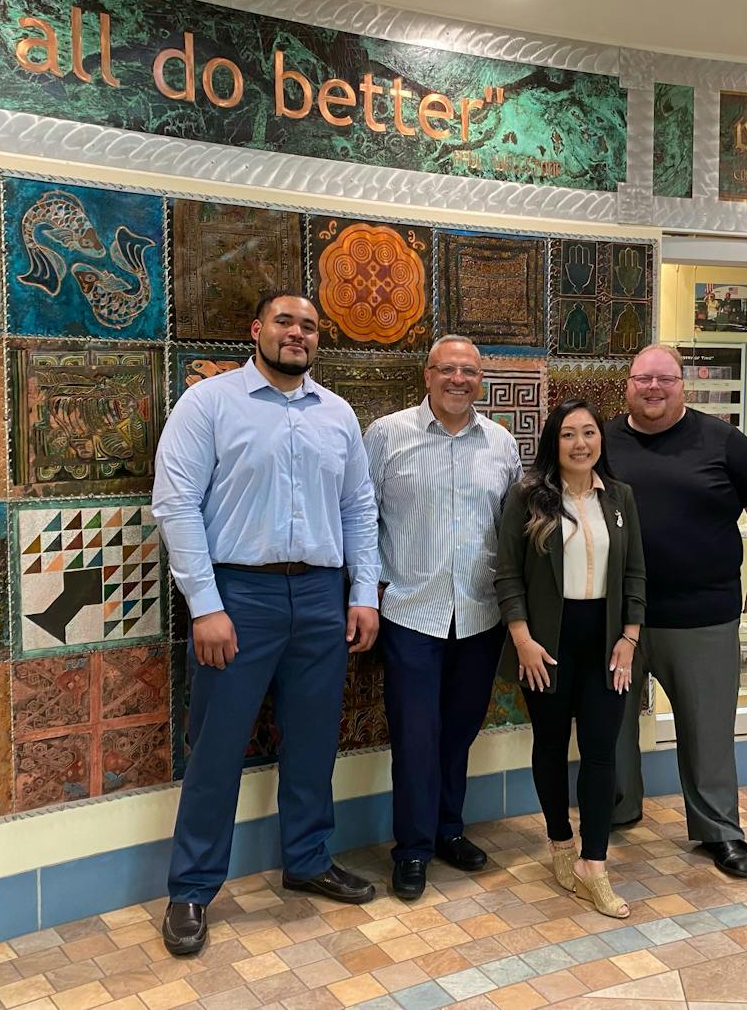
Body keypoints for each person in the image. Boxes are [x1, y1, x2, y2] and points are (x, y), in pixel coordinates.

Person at [152, 294, 381, 957]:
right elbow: (176, 504)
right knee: (217, 749)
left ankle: (308, 860)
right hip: (238, 595)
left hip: (318, 596)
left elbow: (359, 507)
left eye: (309, 326)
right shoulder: (210, 404)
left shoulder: (336, 414)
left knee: (313, 742)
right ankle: (192, 889)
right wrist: (206, 605)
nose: (297, 334)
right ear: (256, 330)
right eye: (285, 322)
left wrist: (362, 592)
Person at [606, 344, 747, 880]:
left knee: (707, 730)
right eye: (642, 379)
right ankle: (615, 810)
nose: (653, 388)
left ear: (683, 385)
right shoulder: (602, 441)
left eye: (664, 379)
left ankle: (719, 830)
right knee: (609, 726)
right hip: (619, 617)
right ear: (627, 384)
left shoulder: (723, 440)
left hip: (702, 615)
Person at [364, 335, 522, 900]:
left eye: (470, 371)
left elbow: (512, 529)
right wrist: (363, 592)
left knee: (459, 732)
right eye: (448, 369)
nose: (459, 379)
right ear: (427, 375)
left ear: (481, 380)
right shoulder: (386, 436)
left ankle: (448, 831)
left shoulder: (501, 444)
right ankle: (411, 849)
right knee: (414, 735)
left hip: (480, 617)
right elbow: (361, 519)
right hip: (410, 611)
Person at [495, 399, 646, 918]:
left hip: (606, 644)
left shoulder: (621, 497)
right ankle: (560, 843)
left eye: (589, 432)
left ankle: (594, 866)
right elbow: (508, 573)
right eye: (568, 435)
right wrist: (521, 638)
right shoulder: (529, 498)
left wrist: (629, 638)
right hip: (546, 645)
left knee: (602, 751)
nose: (580, 443)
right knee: (552, 745)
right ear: (551, 443)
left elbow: (635, 575)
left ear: (600, 439)